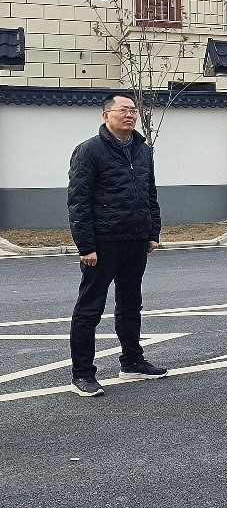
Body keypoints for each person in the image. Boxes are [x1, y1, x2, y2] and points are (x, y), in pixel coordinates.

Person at [67, 93, 167, 397]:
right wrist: (86, 246)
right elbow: (79, 201)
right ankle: (82, 374)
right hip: (103, 243)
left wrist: (152, 231)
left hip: (135, 240)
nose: (130, 115)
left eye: (133, 110)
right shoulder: (89, 151)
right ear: (106, 115)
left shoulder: (142, 150)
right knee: (90, 308)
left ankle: (132, 362)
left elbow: (149, 193)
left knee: (130, 304)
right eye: (123, 110)